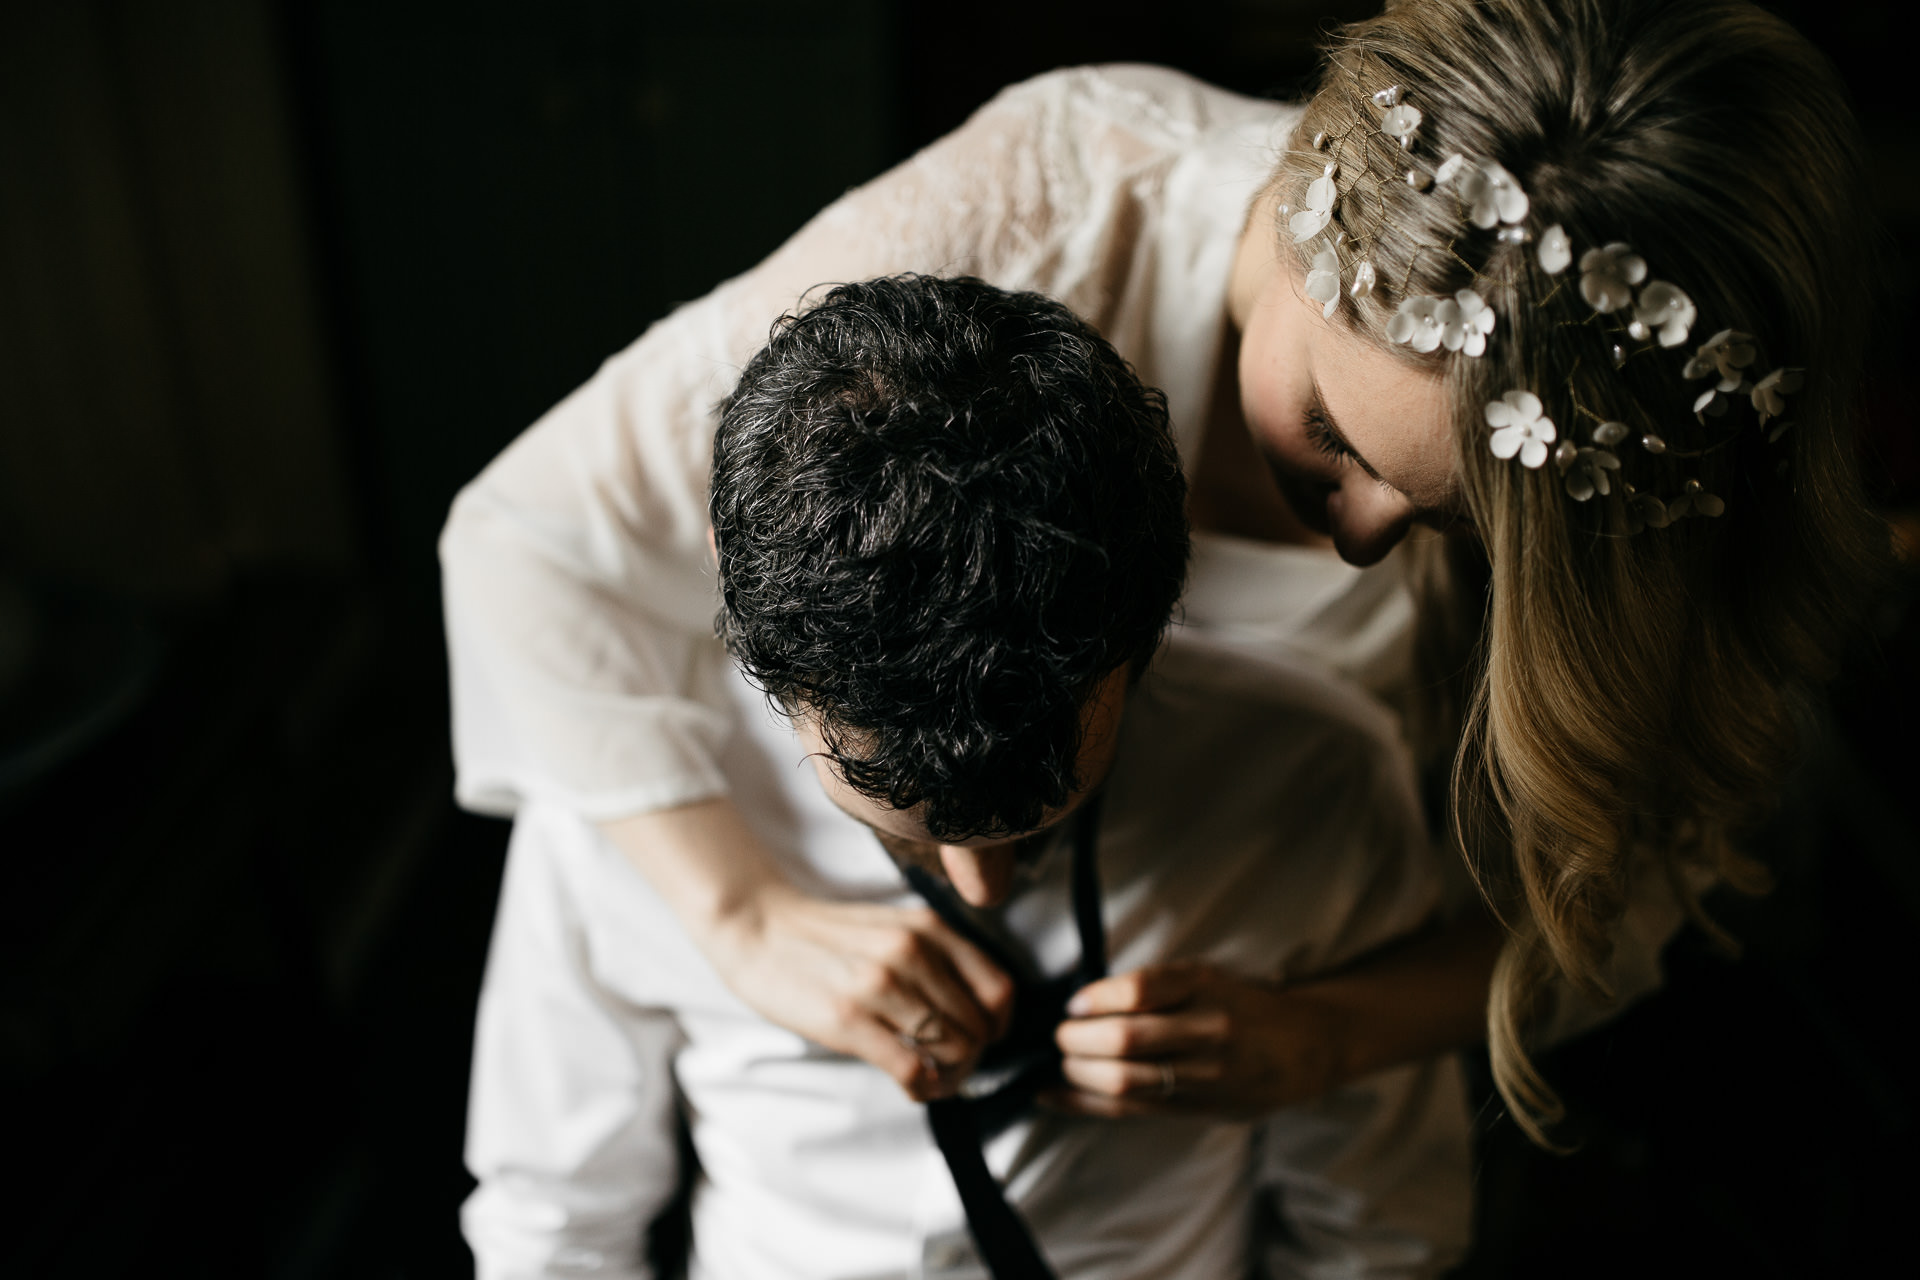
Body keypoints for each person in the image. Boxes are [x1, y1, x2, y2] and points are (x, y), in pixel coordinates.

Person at [444, 0, 1886, 1197]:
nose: (1374, 543)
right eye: (1333, 437)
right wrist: (746, 912)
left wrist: (1329, 1039)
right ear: (1305, 215)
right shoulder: (1041, 215)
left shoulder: (1610, 499)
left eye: (1451, 520)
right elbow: (530, 537)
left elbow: (1627, 886)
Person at [461, 275, 1469, 1278]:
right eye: (897, 822)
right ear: (735, 587)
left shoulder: (1318, 778)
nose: (981, 885)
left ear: (1154, 611)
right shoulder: (624, 782)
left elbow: (1380, 1233)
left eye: (1035, 823)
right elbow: (552, 1223)